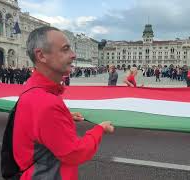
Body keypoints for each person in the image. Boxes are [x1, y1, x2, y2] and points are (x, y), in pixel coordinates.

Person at [13, 26, 114, 180]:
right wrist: (99, 129)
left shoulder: (34, 88)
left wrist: (65, 116)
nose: (73, 55)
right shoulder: (46, 103)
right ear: (41, 55)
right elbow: (75, 153)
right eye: (65, 49)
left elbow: (38, 123)